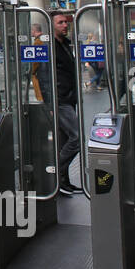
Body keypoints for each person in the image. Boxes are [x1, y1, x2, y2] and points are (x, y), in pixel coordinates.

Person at [50, 11, 82, 195]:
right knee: (76, 138)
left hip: (69, 98)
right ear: (52, 25)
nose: (64, 25)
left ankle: (63, 180)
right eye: (60, 22)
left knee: (63, 142)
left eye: (65, 22)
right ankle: (54, 173)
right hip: (59, 99)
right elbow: (45, 76)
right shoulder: (50, 47)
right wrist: (49, 102)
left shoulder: (66, 45)